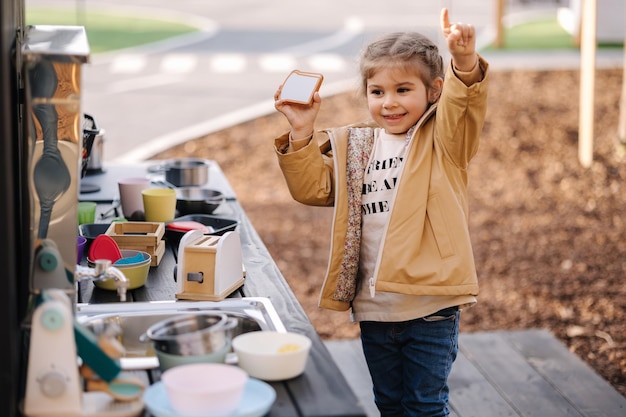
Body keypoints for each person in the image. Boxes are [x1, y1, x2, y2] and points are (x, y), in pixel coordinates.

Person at [273, 7, 488, 417]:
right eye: (377, 91)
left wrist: (464, 62)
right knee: (389, 404)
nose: (389, 102)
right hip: (374, 310)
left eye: (403, 90)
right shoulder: (357, 146)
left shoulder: (444, 144)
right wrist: (301, 131)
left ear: (435, 90)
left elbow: (465, 108)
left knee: (424, 406)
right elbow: (313, 189)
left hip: (429, 307)